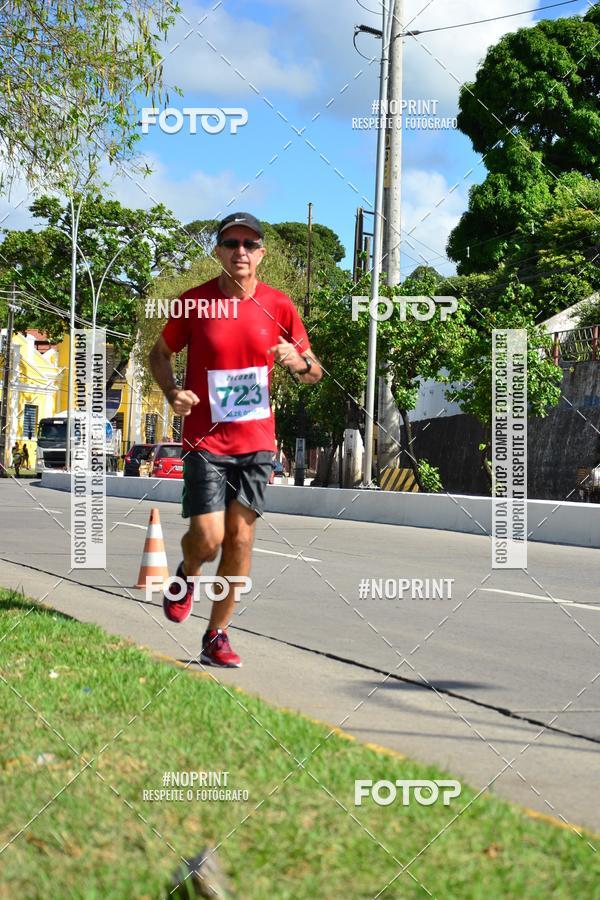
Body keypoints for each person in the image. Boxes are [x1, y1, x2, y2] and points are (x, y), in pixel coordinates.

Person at [149, 212, 322, 667]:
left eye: (249, 244)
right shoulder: (194, 303)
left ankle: (216, 634)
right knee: (208, 539)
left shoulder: (279, 306)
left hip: (257, 442)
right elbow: (159, 354)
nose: (240, 251)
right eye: (231, 243)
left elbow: (315, 372)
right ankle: (187, 573)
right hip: (205, 442)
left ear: (261, 253)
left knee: (240, 540)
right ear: (218, 252)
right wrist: (172, 392)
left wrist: (298, 363)